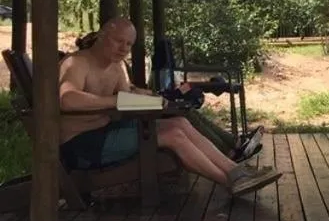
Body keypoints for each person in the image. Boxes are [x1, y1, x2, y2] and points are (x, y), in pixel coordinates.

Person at [59, 18, 281, 198]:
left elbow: (126, 97)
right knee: (172, 135)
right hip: (81, 145)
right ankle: (229, 183)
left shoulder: (116, 66)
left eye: (128, 44)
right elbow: (67, 99)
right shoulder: (76, 63)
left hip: (108, 132)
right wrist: (115, 100)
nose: (123, 48)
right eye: (118, 41)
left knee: (179, 122)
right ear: (101, 35)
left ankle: (236, 172)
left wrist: (151, 98)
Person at [73, 29, 263, 162]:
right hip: (133, 120)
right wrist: (146, 97)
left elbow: (130, 90)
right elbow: (123, 97)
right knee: (183, 114)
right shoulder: (88, 70)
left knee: (187, 109)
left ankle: (234, 144)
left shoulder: (112, 67)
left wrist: (150, 94)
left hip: (143, 108)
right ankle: (230, 151)